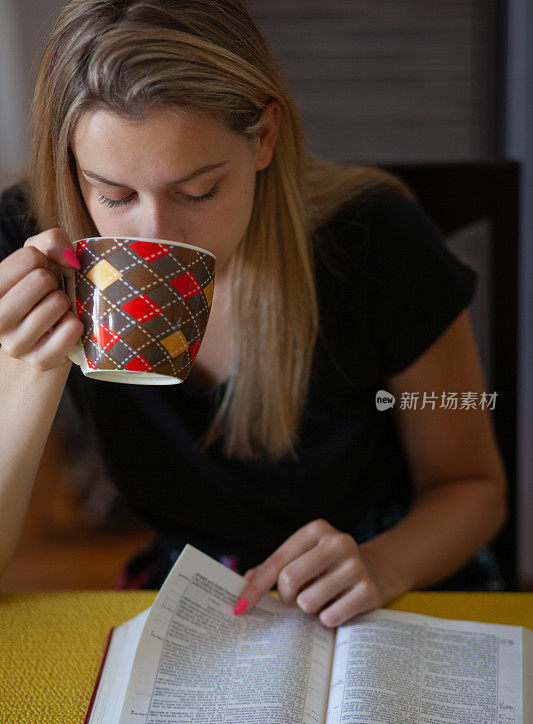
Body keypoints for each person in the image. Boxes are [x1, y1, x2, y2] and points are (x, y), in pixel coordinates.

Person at [0, 0, 507, 626]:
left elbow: (474, 487)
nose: (159, 236)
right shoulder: (29, 245)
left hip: (388, 577)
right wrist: (29, 365)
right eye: (115, 195)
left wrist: (383, 563)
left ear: (263, 138)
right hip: (198, 587)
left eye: (198, 191)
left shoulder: (375, 242)